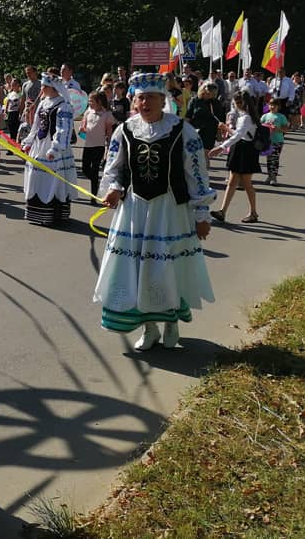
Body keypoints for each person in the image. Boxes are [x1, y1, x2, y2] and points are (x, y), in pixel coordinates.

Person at [92, 72, 215, 349]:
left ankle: (171, 323)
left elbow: (197, 175)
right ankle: (149, 329)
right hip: (134, 211)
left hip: (169, 211)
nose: (144, 103)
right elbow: (115, 168)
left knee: (166, 267)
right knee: (136, 269)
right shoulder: (125, 130)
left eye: (150, 98)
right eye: (140, 98)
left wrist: (202, 214)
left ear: (163, 100)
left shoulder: (182, 130)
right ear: (134, 101)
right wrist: (114, 188)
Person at [21, 73, 76, 225]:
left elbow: (63, 130)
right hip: (39, 146)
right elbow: (36, 125)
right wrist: (29, 141)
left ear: (53, 87)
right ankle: (37, 213)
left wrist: (55, 148)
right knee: (36, 177)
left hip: (53, 147)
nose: (42, 89)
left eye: (44, 86)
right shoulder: (43, 103)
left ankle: (52, 214)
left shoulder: (63, 105)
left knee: (52, 180)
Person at [209, 91, 260, 223]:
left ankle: (253, 212)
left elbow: (238, 135)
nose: (236, 105)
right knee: (232, 181)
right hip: (240, 149)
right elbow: (239, 135)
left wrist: (221, 145)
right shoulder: (246, 116)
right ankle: (222, 211)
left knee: (246, 183)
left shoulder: (246, 118)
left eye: (237, 102)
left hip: (246, 150)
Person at [80, 90, 115, 198]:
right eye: (89, 101)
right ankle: (96, 181)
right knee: (85, 169)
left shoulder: (106, 114)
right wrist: (82, 129)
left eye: (92, 101)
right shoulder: (88, 112)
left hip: (99, 146)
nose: (89, 103)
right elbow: (84, 126)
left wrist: (109, 146)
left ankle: (93, 196)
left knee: (95, 169)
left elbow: (109, 131)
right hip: (88, 145)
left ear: (99, 102)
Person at [185, 82, 226, 153]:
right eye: (209, 93)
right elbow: (188, 116)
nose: (211, 95)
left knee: (205, 153)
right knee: (193, 153)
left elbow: (220, 119)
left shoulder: (215, 102)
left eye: (213, 94)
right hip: (195, 130)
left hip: (209, 131)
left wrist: (219, 133)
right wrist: (185, 130)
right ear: (203, 90)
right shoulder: (195, 100)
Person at [260, 97, 289, 186]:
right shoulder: (265, 116)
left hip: (277, 141)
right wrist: (265, 126)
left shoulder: (281, 117)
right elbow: (260, 126)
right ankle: (269, 176)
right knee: (269, 160)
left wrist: (278, 129)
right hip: (267, 141)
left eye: (274, 105)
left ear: (278, 106)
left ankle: (274, 177)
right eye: (271, 105)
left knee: (275, 159)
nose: (272, 107)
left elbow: (286, 129)